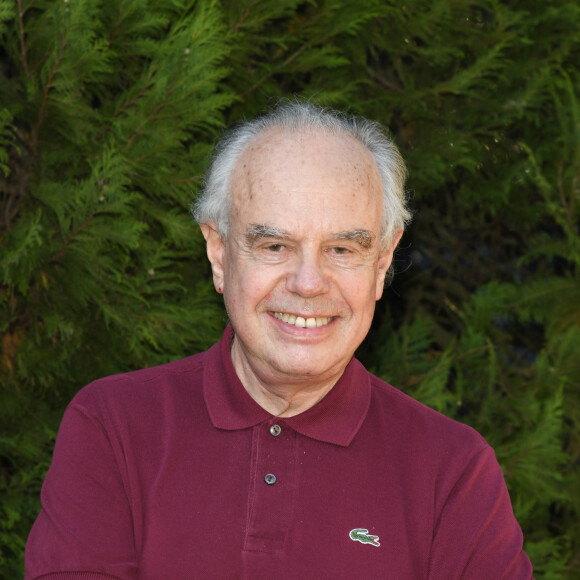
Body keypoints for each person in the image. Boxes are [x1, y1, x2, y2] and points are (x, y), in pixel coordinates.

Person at [25, 101, 533, 579]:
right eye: (274, 245)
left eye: (340, 248)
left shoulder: (454, 473)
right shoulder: (113, 429)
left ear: (382, 263)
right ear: (219, 253)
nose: (308, 283)